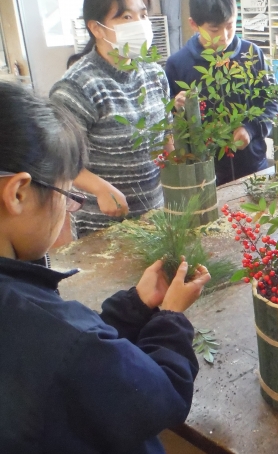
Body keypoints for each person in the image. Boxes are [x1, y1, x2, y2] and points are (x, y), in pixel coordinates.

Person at [0, 81, 211, 453]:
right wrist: (170, 317)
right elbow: (159, 399)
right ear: (18, 193)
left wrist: (134, 307)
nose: (67, 209)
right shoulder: (53, 330)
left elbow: (72, 367)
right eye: (67, 196)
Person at [50, 0, 169, 237]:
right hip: (103, 228)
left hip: (155, 215)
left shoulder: (154, 74)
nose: (139, 24)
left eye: (143, 15)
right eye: (127, 17)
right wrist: (100, 188)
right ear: (97, 28)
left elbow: (165, 135)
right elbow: (57, 157)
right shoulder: (77, 86)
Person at [164, 0, 278, 186]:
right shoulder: (178, 64)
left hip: (254, 167)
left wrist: (251, 129)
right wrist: (175, 106)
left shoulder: (251, 54)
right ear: (194, 24)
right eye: (214, 29)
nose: (224, 36)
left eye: (230, 25)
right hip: (204, 176)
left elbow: (272, 102)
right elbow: (164, 122)